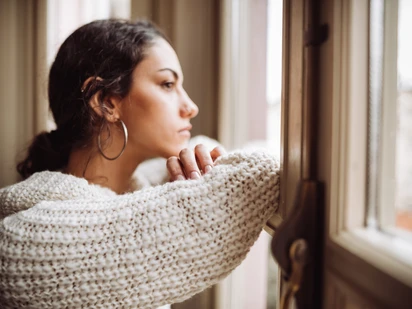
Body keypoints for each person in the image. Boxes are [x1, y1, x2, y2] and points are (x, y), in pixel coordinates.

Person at [0, 19, 280, 309]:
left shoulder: (134, 190)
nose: (190, 106)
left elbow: (202, 148)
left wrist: (201, 154)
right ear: (106, 102)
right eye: (168, 84)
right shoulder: (34, 241)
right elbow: (258, 174)